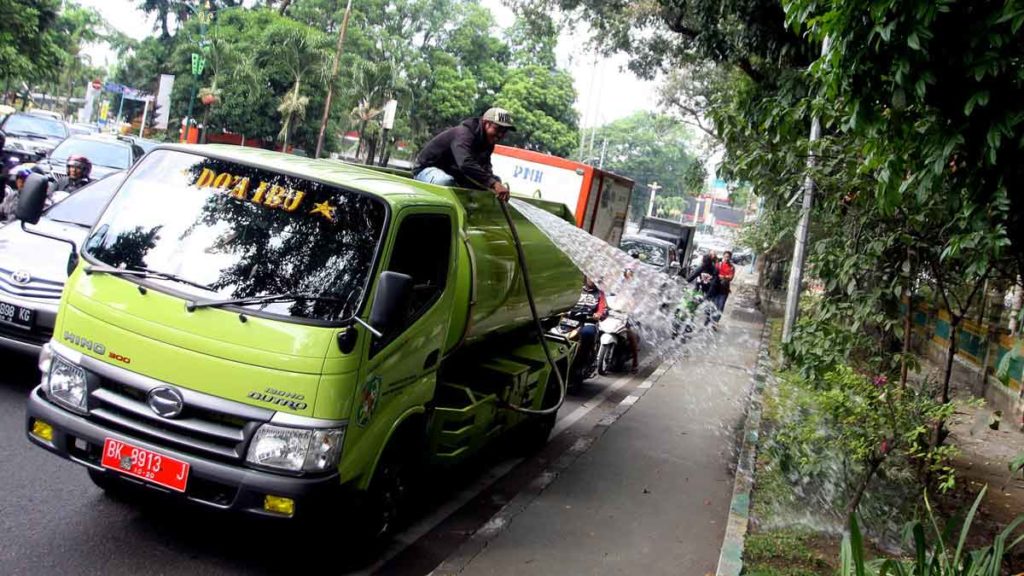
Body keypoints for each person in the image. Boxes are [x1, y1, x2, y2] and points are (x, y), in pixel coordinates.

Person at [412, 107, 514, 201]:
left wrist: (495, 184)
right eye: (497, 129)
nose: (500, 135)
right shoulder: (464, 134)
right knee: (446, 182)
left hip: (453, 174)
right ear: (486, 123)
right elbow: (465, 163)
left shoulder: (488, 142)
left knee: (495, 181)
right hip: (425, 171)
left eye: (504, 132)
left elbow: (485, 169)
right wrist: (492, 183)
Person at [573, 277, 608, 367]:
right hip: (572, 319)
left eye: (594, 278)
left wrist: (599, 314)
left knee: (587, 333)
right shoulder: (577, 289)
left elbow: (603, 309)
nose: (592, 280)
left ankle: (581, 363)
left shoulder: (600, 293)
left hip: (589, 321)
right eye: (590, 277)